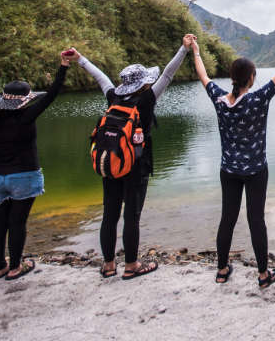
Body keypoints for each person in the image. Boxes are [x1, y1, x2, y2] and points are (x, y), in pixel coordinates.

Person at [190, 28, 275, 288]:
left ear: (232, 78)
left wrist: (195, 51)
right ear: (251, 78)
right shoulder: (258, 100)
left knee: (227, 219)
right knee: (256, 221)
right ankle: (263, 275)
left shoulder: (220, 100)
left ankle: (221, 270)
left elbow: (202, 75)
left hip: (228, 170)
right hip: (255, 170)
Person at [70, 37, 191, 280]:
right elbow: (167, 74)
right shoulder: (147, 99)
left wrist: (80, 59)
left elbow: (100, 77)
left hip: (112, 162)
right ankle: (132, 265)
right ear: (145, 83)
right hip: (137, 165)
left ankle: (108, 265)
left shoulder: (114, 96)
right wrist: (184, 49)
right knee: (132, 217)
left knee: (109, 215)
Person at [0, 50, 74, 280]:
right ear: (25, 99)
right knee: (17, 222)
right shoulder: (26, 115)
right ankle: (16, 266)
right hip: (24, 175)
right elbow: (52, 94)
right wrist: (63, 66)